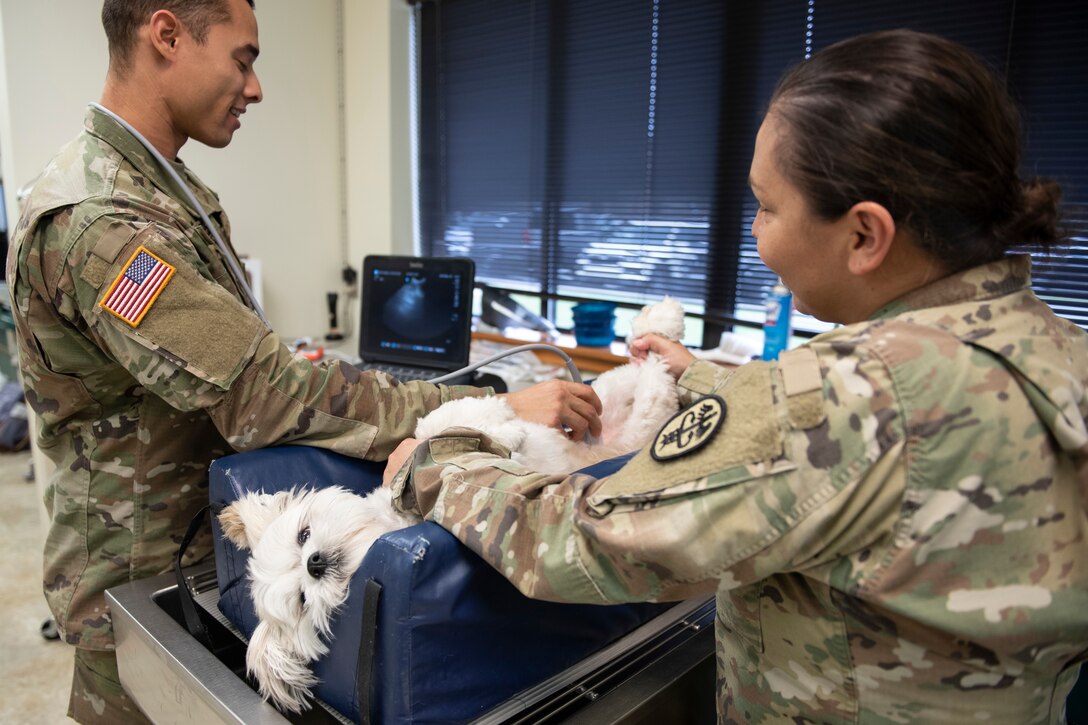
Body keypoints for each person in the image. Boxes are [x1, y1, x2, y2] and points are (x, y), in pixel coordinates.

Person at [386, 29, 1088, 722]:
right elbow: (855, 455)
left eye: (767, 206)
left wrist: (436, 462)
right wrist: (704, 381)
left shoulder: (840, 394)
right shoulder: (1059, 350)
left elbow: (582, 541)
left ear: (864, 235)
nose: (753, 230)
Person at [5, 1, 601, 722]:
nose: (254, 89)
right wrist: (488, 405)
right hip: (144, 581)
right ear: (166, 35)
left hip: (211, 552)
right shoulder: (104, 224)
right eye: (243, 60)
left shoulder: (164, 191)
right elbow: (265, 394)